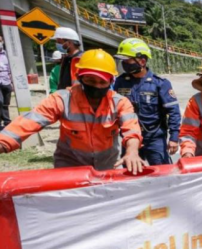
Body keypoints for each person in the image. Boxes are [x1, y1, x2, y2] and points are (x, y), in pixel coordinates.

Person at [0, 49, 145, 174]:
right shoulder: (62, 99)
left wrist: (132, 151)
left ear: (110, 81)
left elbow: (131, 129)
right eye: (90, 81)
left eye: (102, 82)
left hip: (106, 168)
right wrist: (3, 142)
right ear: (80, 77)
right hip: (70, 169)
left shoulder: (120, 102)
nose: (97, 86)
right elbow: (28, 122)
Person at [114, 38, 181, 165]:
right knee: (131, 173)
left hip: (155, 138)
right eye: (123, 61)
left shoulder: (160, 83)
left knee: (162, 174)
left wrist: (174, 137)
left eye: (127, 60)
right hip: (130, 139)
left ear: (142, 61)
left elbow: (173, 112)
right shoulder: (120, 82)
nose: (124, 64)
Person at [0, 36, 12, 131]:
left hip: (6, 81)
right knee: (0, 101)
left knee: (5, 103)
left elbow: (11, 68)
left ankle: (7, 121)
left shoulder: (7, 54)